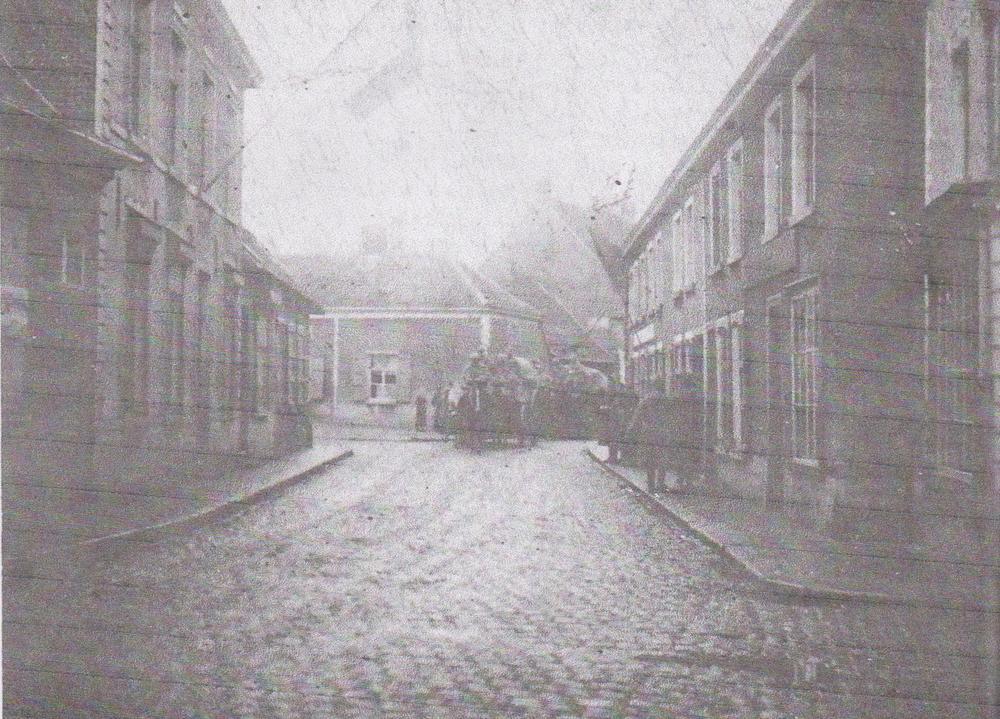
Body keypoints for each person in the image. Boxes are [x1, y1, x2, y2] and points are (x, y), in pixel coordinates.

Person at [626, 378, 671, 493]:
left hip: (649, 433)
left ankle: (651, 486)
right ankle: (660, 484)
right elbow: (673, 417)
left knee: (650, 459)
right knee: (662, 458)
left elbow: (637, 416)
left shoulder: (647, 400)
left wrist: (631, 430)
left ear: (653, 386)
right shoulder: (667, 400)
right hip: (663, 432)